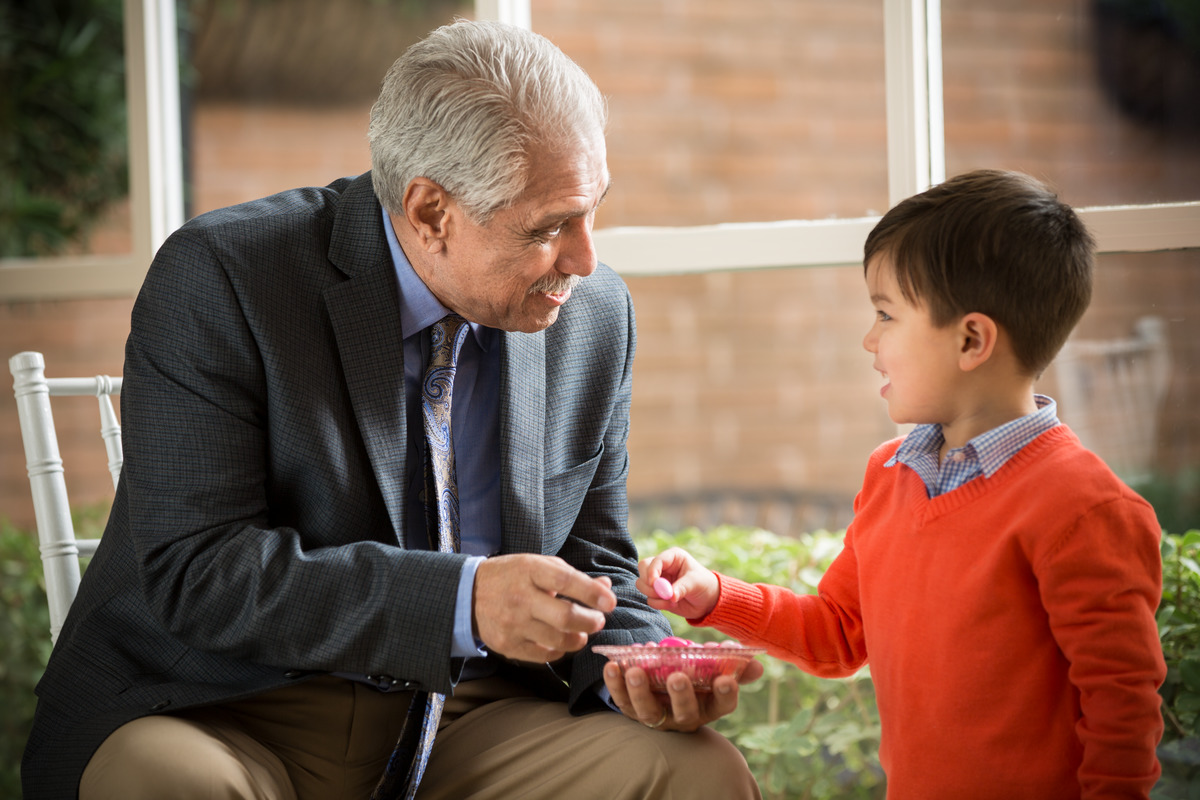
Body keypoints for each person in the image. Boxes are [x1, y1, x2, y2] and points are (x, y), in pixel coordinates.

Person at [22, 20, 762, 800]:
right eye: (548, 228)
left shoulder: (593, 315)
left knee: (698, 773)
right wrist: (460, 601)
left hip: (468, 715)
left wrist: (642, 673)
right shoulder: (226, 275)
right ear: (430, 210)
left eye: (590, 211)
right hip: (227, 707)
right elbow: (199, 572)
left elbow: (595, 560)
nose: (585, 259)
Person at [637, 170, 1167, 799]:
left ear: (972, 339)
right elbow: (837, 633)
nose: (870, 339)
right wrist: (713, 597)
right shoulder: (889, 476)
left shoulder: (1084, 507)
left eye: (886, 315)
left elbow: (1122, 714)